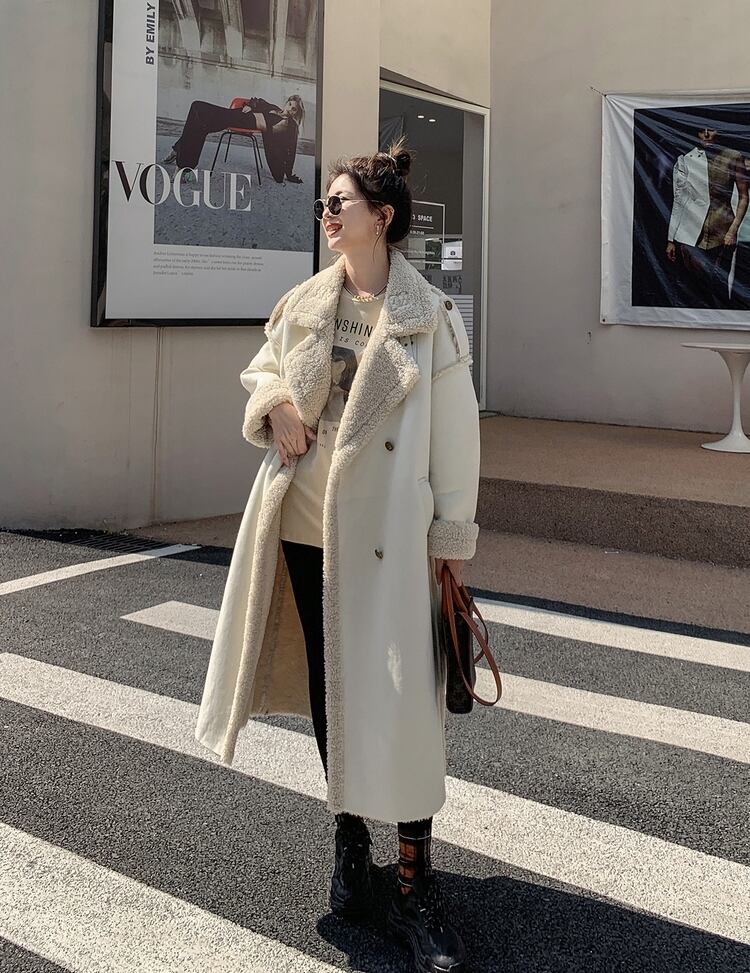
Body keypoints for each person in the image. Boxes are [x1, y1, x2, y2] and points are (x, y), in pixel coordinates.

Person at [194, 135, 480, 973]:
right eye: (323, 203)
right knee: (334, 690)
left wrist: (452, 540)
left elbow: (457, 436)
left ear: (380, 218)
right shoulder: (306, 302)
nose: (325, 213)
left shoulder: (430, 317)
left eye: (338, 203)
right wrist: (277, 404)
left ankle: (415, 875)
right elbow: (263, 369)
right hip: (305, 525)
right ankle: (351, 843)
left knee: (406, 698)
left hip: (392, 536)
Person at [666, 125, 748, 309]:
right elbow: (679, 200)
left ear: (718, 130)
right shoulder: (687, 159)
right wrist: (671, 239)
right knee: (694, 288)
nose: (706, 134)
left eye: (711, 129)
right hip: (691, 233)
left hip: (722, 232)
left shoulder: (732, 156)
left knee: (718, 286)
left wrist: (733, 230)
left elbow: (744, 196)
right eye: (701, 130)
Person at [160, 94, 305, 183]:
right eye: (289, 104)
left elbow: (290, 150)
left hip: (241, 122)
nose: (289, 109)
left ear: (296, 113)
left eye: (294, 109)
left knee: (197, 108)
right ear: (287, 102)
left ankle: (180, 155)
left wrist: (288, 173)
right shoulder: (274, 107)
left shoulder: (290, 126)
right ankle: (183, 162)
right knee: (199, 120)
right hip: (237, 114)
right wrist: (251, 105)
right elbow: (258, 101)